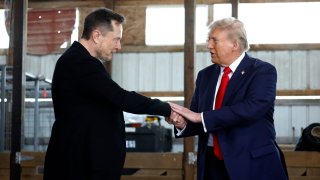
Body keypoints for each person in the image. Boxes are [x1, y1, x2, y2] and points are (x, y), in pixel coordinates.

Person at [43, 8, 173, 180]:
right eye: (116, 39)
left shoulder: (81, 61)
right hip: (78, 167)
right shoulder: (80, 63)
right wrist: (167, 109)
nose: (119, 46)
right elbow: (120, 97)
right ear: (97, 36)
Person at [168, 17, 288, 180]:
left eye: (214, 40)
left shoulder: (262, 71)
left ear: (235, 45)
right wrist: (183, 123)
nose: (209, 45)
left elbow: (253, 108)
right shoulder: (205, 76)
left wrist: (199, 117)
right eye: (208, 40)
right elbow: (199, 118)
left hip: (251, 164)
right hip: (211, 164)